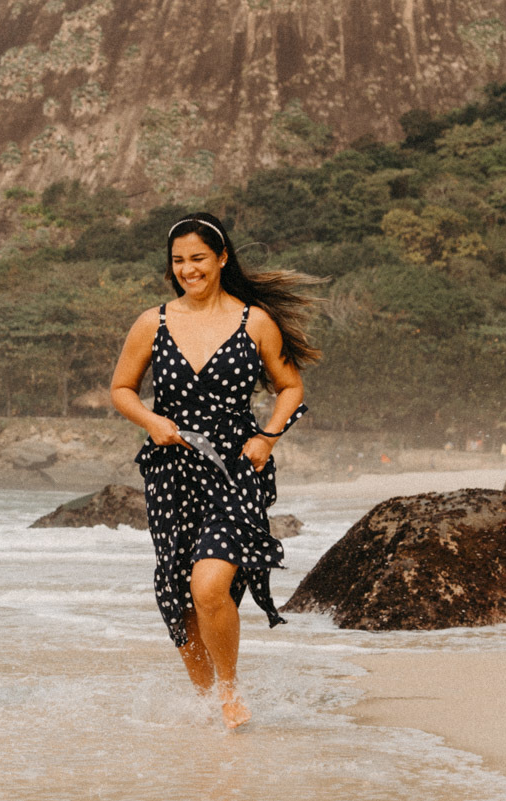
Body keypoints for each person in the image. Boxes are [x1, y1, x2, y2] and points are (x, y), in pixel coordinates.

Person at [110, 212, 320, 728]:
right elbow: (121, 389)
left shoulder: (255, 321)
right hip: (171, 472)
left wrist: (268, 437)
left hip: (234, 469)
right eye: (178, 261)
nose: (188, 269)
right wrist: (152, 420)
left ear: (222, 258)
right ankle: (207, 702)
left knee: (209, 585)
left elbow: (290, 387)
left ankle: (228, 692)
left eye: (198, 259)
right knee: (179, 592)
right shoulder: (151, 322)